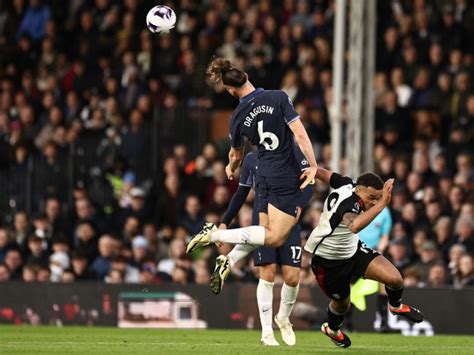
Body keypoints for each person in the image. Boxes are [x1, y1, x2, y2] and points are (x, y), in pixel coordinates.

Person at [186, 57, 318, 269]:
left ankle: (229, 259)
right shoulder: (279, 97)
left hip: (263, 175)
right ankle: (214, 235)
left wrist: (231, 168)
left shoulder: (237, 118)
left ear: (230, 90)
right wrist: (312, 165)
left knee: (263, 233)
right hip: (283, 174)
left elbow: (236, 156)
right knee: (275, 238)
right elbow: (300, 136)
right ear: (246, 77)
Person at [305, 168, 423, 348]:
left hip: (353, 250)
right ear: (360, 190)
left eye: (377, 198)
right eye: (372, 197)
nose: (373, 201)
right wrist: (382, 203)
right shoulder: (350, 204)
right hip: (328, 261)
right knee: (343, 303)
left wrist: (311, 170)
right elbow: (354, 225)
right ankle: (333, 330)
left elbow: (326, 175)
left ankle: (395, 306)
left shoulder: (348, 184)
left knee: (395, 279)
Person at [215, 150, 312, 346]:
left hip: (288, 220)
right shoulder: (251, 159)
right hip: (263, 217)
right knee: (267, 273)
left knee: (293, 278)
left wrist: (300, 206)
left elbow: (308, 182)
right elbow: (241, 192)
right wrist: (225, 220)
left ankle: (283, 318)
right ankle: (267, 333)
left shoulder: (293, 153)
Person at [358, 207, 394, 332]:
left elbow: (385, 235)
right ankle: (347, 322)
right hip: (355, 251)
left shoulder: (384, 212)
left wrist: (379, 251)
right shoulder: (357, 207)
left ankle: (384, 322)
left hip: (374, 252)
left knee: (384, 283)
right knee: (349, 285)